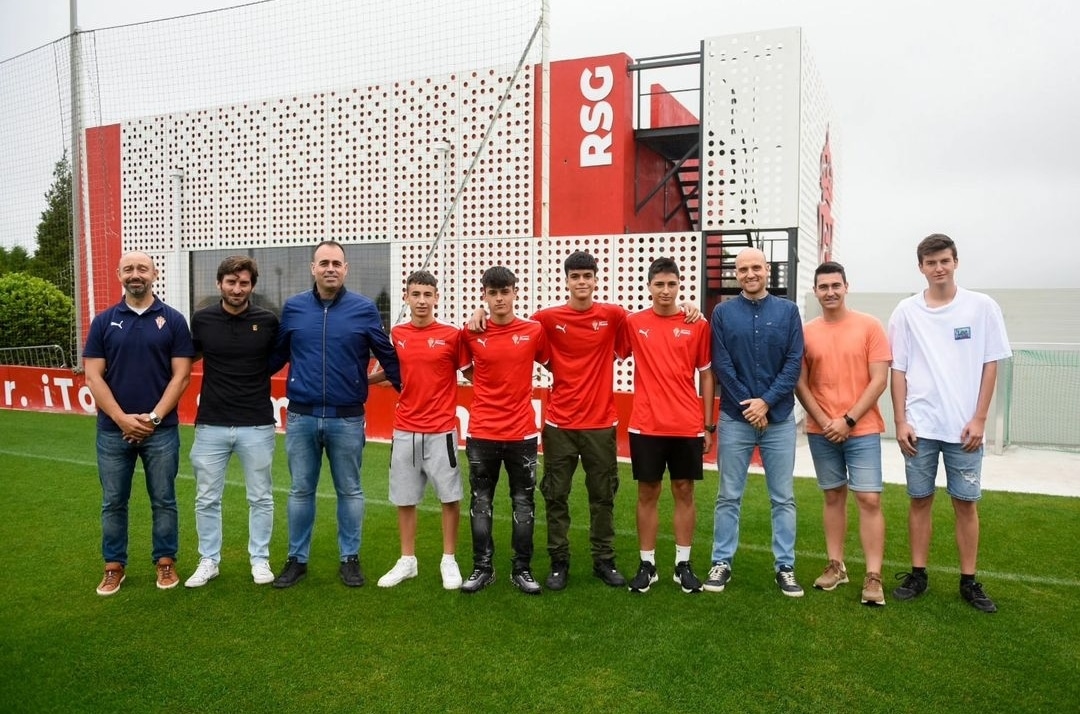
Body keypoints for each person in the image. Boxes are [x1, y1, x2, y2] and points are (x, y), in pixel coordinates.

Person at [470, 250, 701, 591]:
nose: (581, 282)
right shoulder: (545, 319)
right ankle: (558, 562)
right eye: (575, 276)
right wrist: (479, 313)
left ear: (596, 279)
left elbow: (655, 315)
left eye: (587, 276)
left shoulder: (614, 316)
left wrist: (688, 308)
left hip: (601, 424)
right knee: (556, 497)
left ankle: (603, 561)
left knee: (602, 496)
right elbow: (507, 322)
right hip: (559, 425)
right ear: (566, 280)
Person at [889, 233, 1011, 613]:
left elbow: (991, 364)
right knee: (919, 500)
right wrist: (900, 420)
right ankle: (918, 574)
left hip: (965, 431)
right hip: (920, 427)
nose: (938, 268)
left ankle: (969, 581)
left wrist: (979, 418)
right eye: (931, 262)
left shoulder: (982, 307)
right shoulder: (906, 311)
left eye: (944, 260)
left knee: (965, 503)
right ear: (921, 267)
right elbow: (899, 369)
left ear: (955, 261)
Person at [270, 240, 401, 589]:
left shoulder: (364, 309)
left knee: (350, 491)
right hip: (301, 417)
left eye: (336, 263)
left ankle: (350, 559)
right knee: (300, 491)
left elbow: (387, 356)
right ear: (313, 268)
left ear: (346, 269)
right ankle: (297, 560)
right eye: (323, 262)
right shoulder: (294, 308)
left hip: (346, 418)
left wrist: (408, 390)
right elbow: (275, 357)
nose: (330, 268)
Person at [83, 251, 194, 595]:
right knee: (113, 501)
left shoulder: (174, 321)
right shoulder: (103, 322)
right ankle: (114, 566)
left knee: (164, 499)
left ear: (154, 274)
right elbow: (93, 376)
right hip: (112, 431)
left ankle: (165, 562)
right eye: (129, 269)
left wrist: (154, 417)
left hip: (161, 431)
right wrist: (121, 419)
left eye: (142, 268)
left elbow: (182, 376)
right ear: (119, 275)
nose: (136, 274)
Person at [706, 247, 805, 597]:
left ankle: (785, 567)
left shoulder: (789, 311)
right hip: (736, 418)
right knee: (728, 495)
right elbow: (721, 363)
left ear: (767, 270)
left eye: (756, 267)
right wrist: (751, 405)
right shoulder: (722, 313)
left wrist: (766, 402)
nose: (750, 274)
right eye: (743, 268)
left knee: (783, 498)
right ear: (736, 273)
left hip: (778, 418)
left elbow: (794, 363)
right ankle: (721, 562)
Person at [795, 261, 891, 605]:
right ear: (816, 291)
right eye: (824, 287)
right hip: (821, 432)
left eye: (836, 285)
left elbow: (879, 379)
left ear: (846, 287)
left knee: (869, 499)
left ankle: (873, 575)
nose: (830, 292)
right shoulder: (805, 331)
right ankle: (836, 565)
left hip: (861, 429)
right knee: (833, 496)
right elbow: (800, 383)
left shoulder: (870, 326)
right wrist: (824, 421)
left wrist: (847, 420)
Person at [617, 257, 714, 594]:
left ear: (679, 285)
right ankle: (648, 565)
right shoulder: (633, 323)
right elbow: (610, 348)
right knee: (648, 492)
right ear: (649, 287)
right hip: (645, 425)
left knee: (684, 491)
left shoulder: (696, 324)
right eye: (659, 284)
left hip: (686, 425)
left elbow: (706, 372)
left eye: (671, 284)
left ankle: (682, 565)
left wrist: (707, 424)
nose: (665, 290)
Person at [184, 256, 280, 588]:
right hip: (211, 423)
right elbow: (185, 359)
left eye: (243, 283)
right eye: (231, 282)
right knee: (206, 497)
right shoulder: (203, 319)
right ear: (219, 284)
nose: (237, 289)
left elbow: (278, 358)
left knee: (261, 497)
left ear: (252, 286)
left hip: (256, 424)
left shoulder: (268, 321)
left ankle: (260, 559)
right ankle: (209, 559)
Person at [372, 270, 468, 590]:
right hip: (405, 431)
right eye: (416, 294)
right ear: (407, 297)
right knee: (405, 499)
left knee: (449, 498)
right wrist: (359, 382)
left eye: (428, 295)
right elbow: (390, 373)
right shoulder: (397, 334)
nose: (422, 301)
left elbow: (475, 369)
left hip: (441, 431)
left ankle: (448, 558)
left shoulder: (453, 336)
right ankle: (407, 560)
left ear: (437, 297)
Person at [459, 266, 551, 595]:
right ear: (484, 294)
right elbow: (467, 369)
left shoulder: (533, 331)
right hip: (482, 432)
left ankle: (521, 570)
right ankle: (482, 568)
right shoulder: (470, 332)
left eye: (505, 291)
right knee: (480, 501)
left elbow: (552, 362)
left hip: (522, 434)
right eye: (492, 293)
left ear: (515, 292)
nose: (499, 298)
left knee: (523, 503)